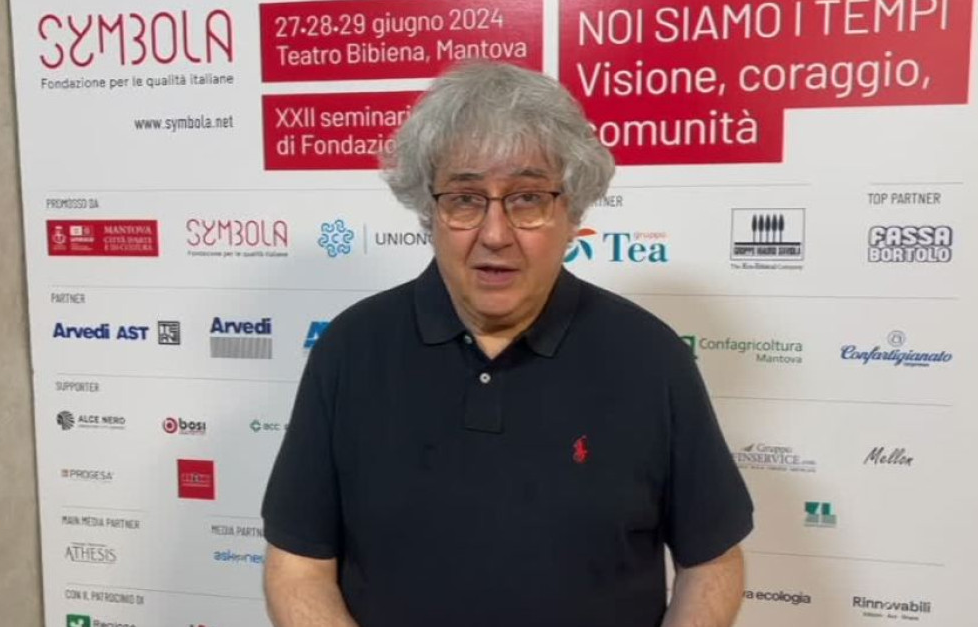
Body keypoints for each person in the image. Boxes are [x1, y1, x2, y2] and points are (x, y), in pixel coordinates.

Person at [261, 61, 753, 627]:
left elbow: (711, 562)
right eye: (465, 198)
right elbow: (298, 565)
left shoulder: (651, 356)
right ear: (429, 211)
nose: (495, 234)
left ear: (572, 211)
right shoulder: (350, 349)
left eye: (527, 198)